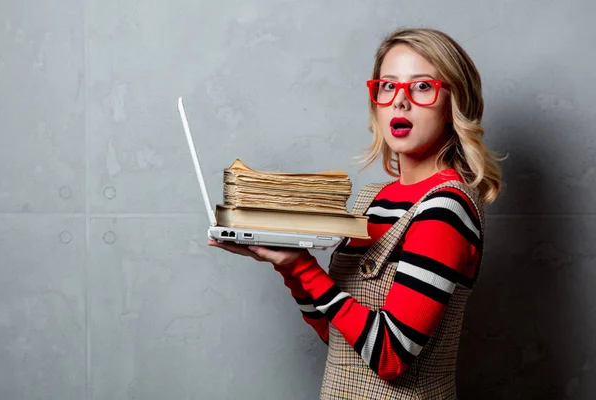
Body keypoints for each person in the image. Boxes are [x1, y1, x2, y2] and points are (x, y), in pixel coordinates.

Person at [208, 27, 502, 399]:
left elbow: (389, 357)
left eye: (422, 87)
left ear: (453, 105)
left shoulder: (446, 209)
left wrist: (302, 266)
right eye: (388, 86)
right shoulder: (371, 200)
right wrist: (285, 264)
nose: (400, 101)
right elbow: (340, 340)